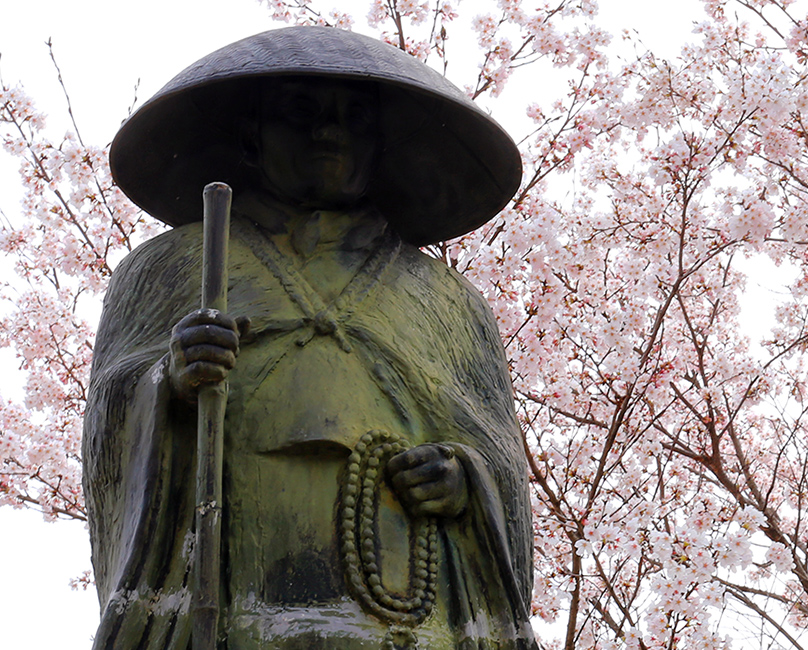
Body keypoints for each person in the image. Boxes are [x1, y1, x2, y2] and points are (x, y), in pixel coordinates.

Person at [84, 26, 533, 649]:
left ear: (380, 144)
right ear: (252, 133)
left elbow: (498, 453)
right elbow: (111, 413)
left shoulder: (448, 301)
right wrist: (169, 382)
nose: (330, 131)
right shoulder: (172, 266)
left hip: (403, 605)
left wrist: (465, 477)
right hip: (234, 596)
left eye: (354, 118)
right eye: (302, 111)